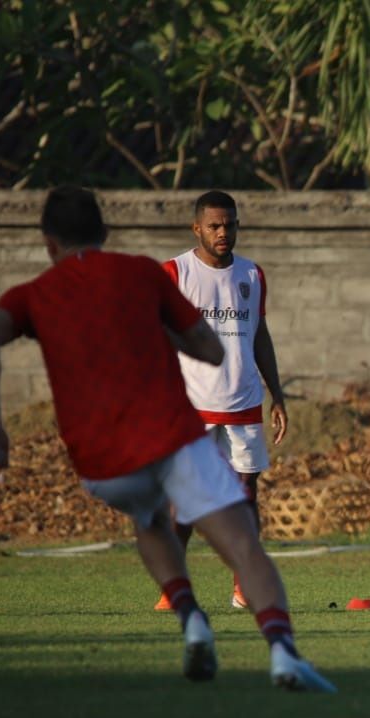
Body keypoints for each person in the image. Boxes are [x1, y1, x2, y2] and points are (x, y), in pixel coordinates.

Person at [0, 185, 334, 691]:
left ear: (48, 243)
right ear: (105, 233)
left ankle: (191, 616)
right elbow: (206, 347)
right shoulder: (145, 272)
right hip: (170, 430)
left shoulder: (33, 294)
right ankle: (282, 651)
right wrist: (196, 348)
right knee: (241, 541)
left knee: (149, 518)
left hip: (98, 458)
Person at [153, 190, 288, 613]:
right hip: (191, 405)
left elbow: (259, 337)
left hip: (244, 400)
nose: (222, 232)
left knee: (246, 494)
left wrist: (277, 394)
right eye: (214, 225)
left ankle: (244, 587)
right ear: (197, 228)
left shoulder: (252, 275)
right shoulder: (175, 272)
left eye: (229, 224)